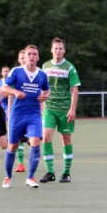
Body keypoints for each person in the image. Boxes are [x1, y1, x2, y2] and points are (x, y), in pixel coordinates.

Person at [1, 45, 50, 188]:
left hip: (34, 114)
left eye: (35, 54)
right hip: (17, 115)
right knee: (13, 146)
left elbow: (47, 90)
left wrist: (45, 96)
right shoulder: (16, 71)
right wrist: (15, 92)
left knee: (35, 142)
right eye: (29, 54)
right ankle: (8, 176)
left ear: (38, 57)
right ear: (25, 56)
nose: (32, 56)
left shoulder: (42, 74)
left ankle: (30, 177)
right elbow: (4, 88)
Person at [40, 37, 81, 183]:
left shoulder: (69, 67)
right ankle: (50, 171)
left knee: (65, 139)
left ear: (64, 51)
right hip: (49, 108)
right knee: (46, 137)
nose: (58, 51)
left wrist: (72, 109)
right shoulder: (45, 66)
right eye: (55, 48)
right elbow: (42, 88)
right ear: (51, 50)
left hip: (65, 109)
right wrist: (41, 106)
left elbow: (75, 89)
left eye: (60, 48)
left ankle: (66, 172)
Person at [0, 65, 26, 173]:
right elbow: (0, 92)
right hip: (5, 107)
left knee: (18, 135)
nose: (5, 73)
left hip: (16, 107)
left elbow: (7, 93)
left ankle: (20, 163)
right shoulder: (1, 82)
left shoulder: (17, 79)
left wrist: (8, 93)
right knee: (13, 134)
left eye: (6, 71)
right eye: (3, 71)